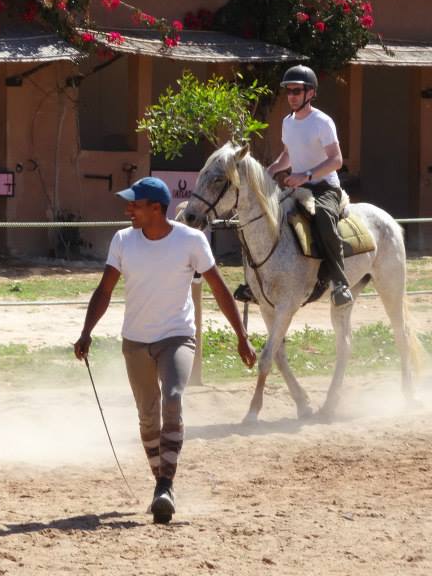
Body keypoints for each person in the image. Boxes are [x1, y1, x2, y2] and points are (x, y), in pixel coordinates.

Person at [74, 177, 256, 524]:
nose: (128, 209)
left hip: (177, 336)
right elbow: (104, 289)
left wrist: (241, 335)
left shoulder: (191, 240)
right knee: (147, 415)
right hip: (135, 341)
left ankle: (165, 486)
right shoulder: (124, 240)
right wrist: (86, 332)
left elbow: (218, 288)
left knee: (172, 396)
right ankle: (161, 481)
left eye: (135, 204)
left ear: (156, 209)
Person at [265, 64, 353, 306]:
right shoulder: (287, 122)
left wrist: (306, 175)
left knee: (324, 219)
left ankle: (340, 283)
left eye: (297, 91)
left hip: (325, 187)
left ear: (310, 93)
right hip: (299, 186)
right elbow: (288, 155)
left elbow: (336, 160)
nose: (291, 96)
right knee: (269, 217)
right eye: (288, 91)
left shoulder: (322, 122)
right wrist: (272, 169)